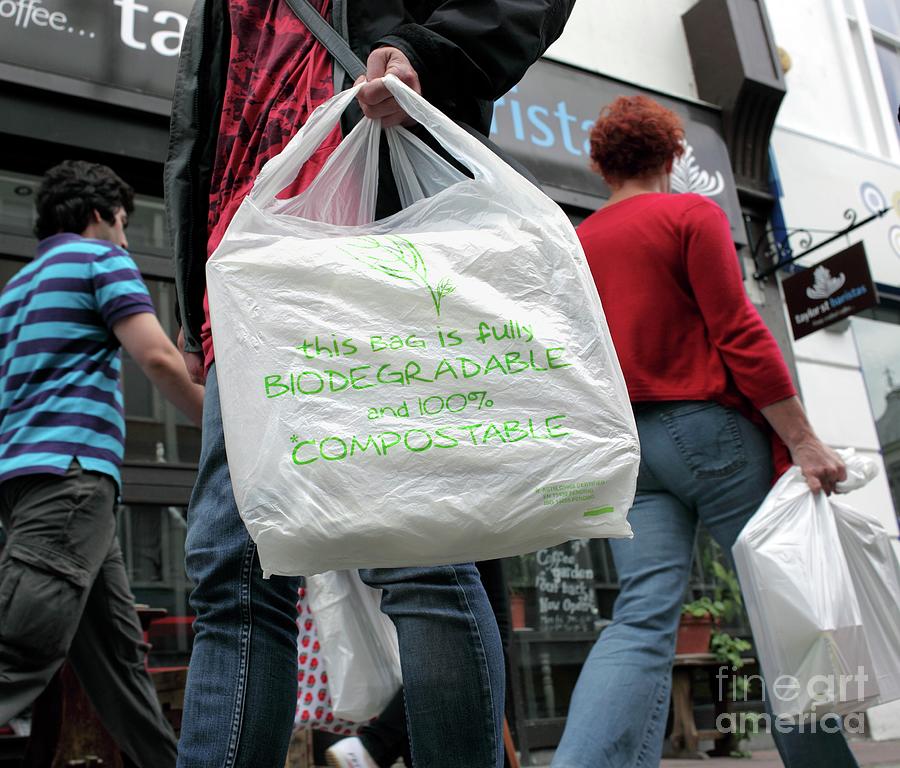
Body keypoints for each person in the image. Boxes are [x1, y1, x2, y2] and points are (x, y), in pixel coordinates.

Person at [164, 2, 574, 767]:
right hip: (248, 280)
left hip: (376, 243)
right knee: (232, 574)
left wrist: (424, 50)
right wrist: (197, 298)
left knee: (421, 549)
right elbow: (206, 124)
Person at [551, 95, 855, 768]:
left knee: (640, 619)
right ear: (671, 155)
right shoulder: (692, 214)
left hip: (629, 450)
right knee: (785, 615)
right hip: (710, 435)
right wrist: (803, 438)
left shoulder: (576, 245)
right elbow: (740, 332)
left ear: (603, 167)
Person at [0, 160, 205, 768]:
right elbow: (160, 360)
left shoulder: (14, 290)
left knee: (119, 666)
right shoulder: (100, 261)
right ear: (98, 216)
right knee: (19, 651)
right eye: (122, 223)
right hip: (72, 479)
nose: (124, 237)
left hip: (30, 484)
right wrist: (225, 429)